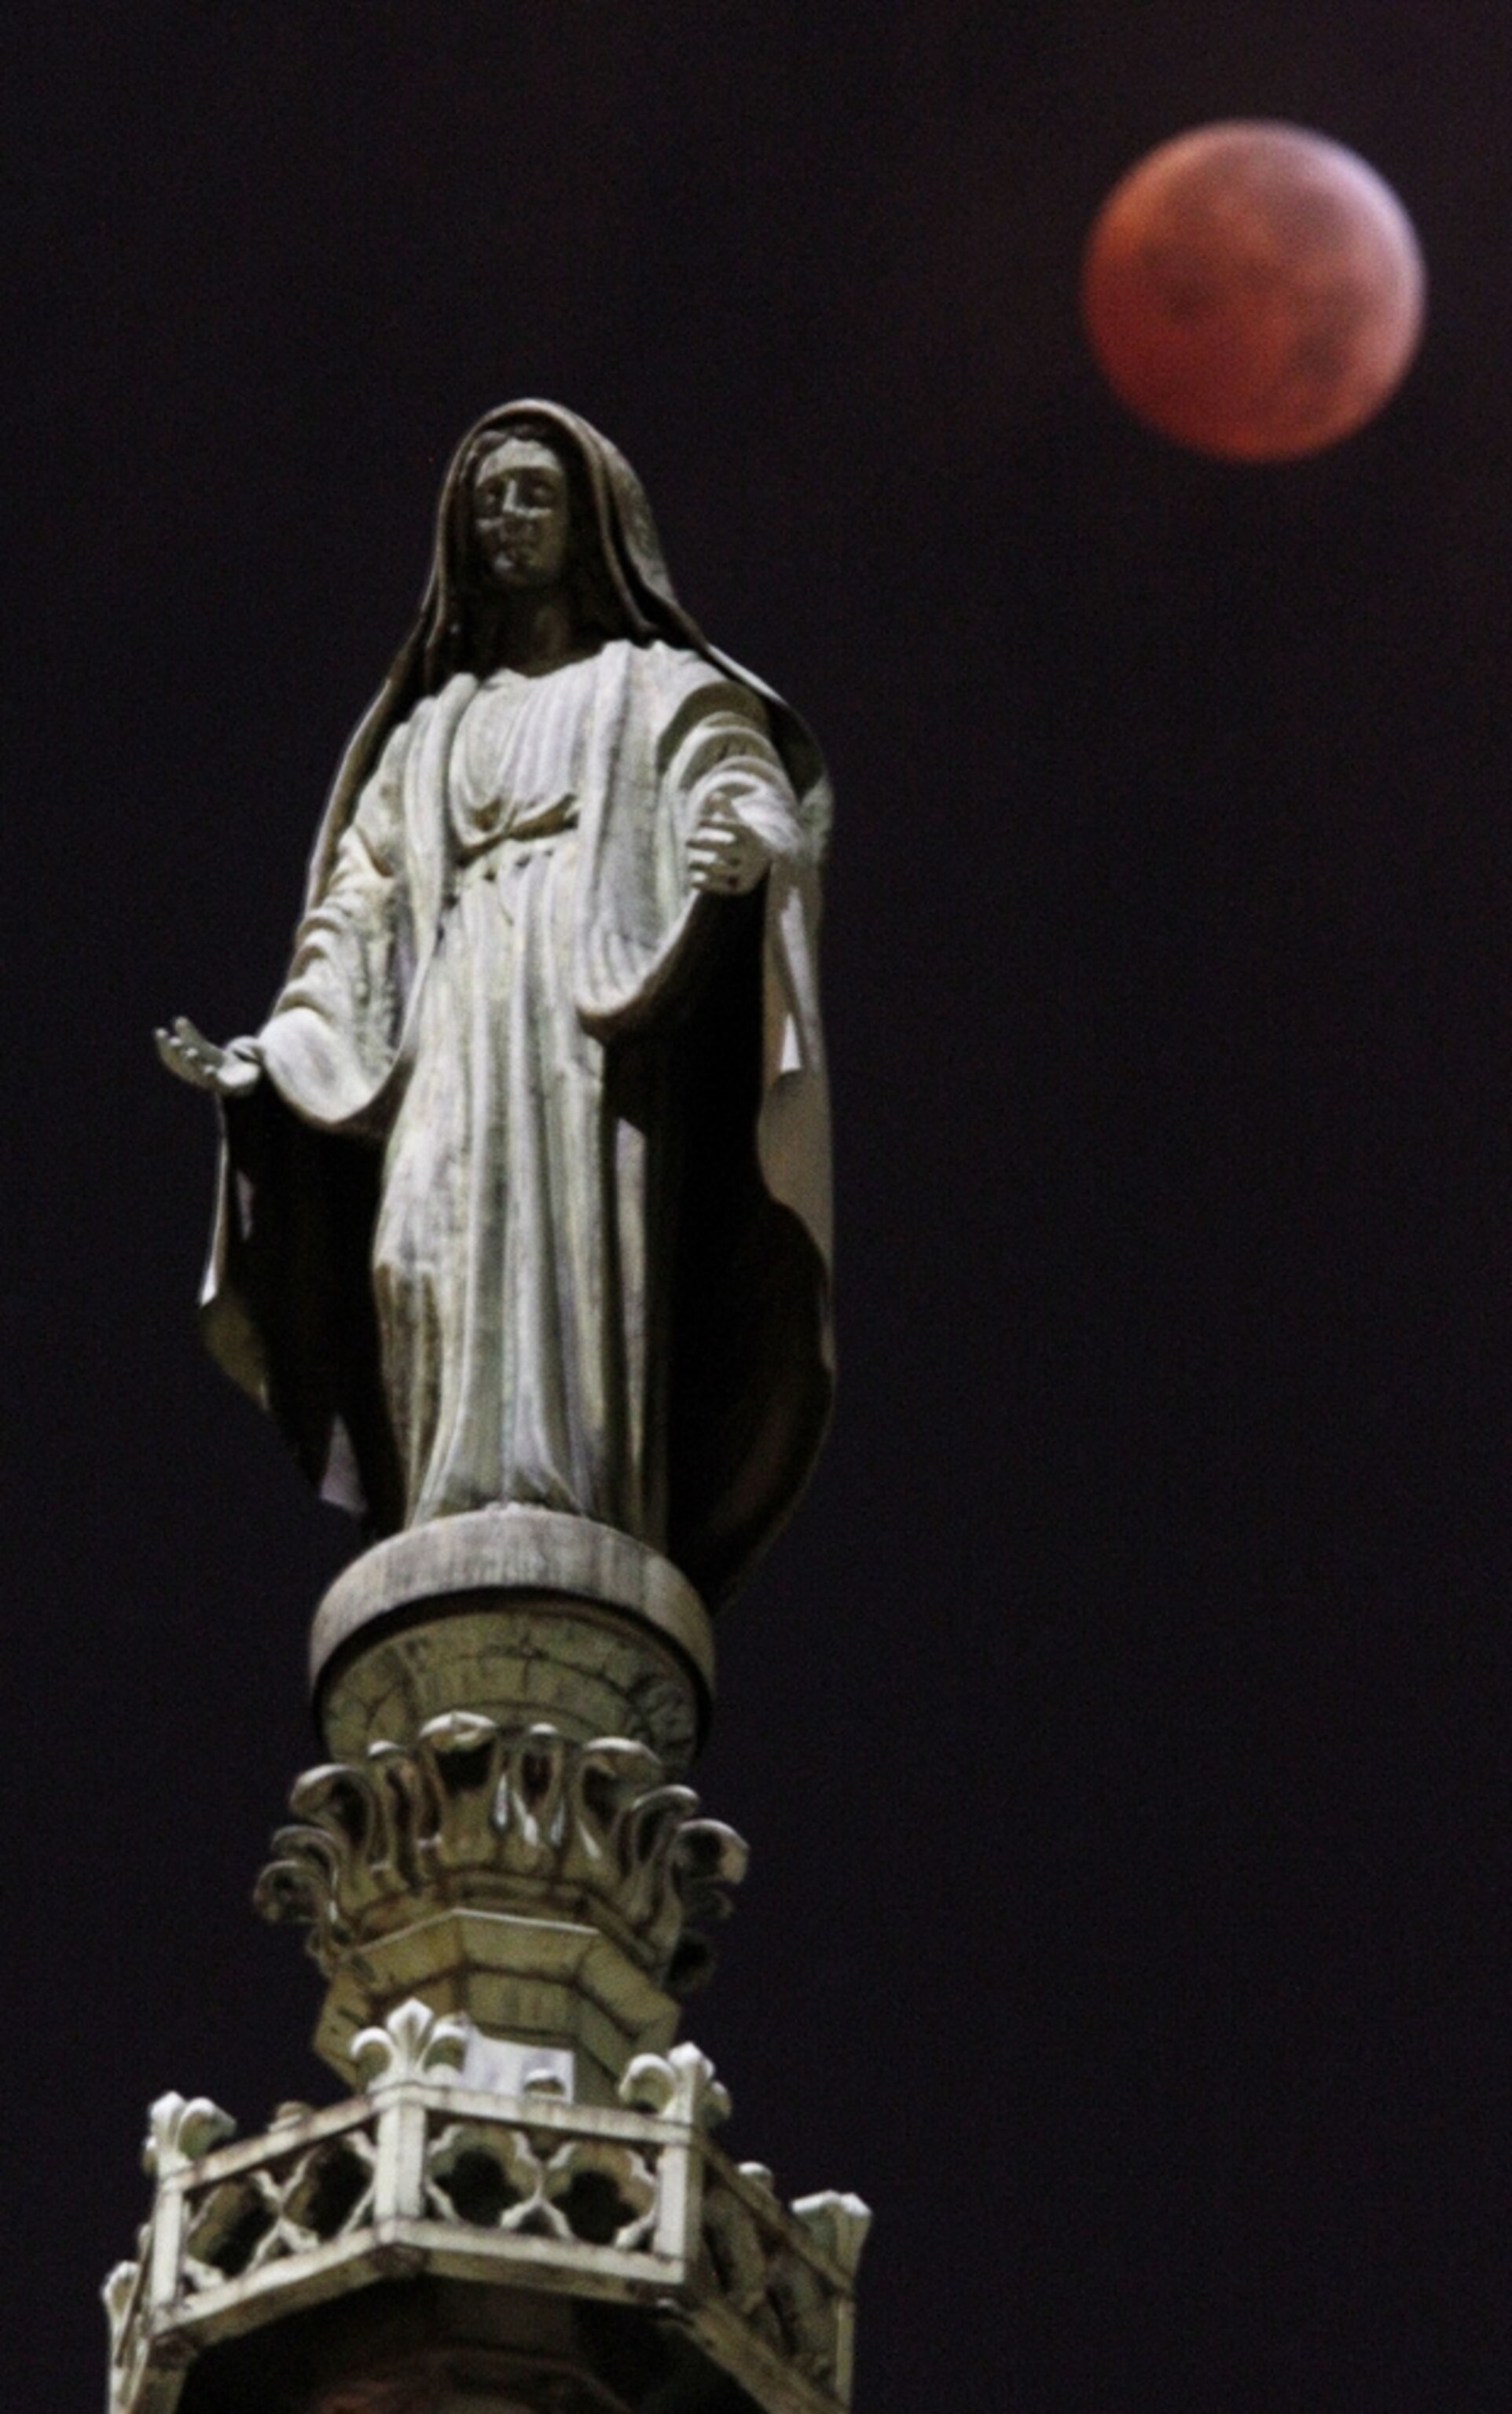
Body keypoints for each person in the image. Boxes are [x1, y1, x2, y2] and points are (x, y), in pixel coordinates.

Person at [158, 402, 833, 1607]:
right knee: (420, 1249)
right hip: (454, 1006)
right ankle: (441, 1506)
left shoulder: (651, 685)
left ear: (589, 526)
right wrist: (283, 1051)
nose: (507, 520)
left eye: (533, 496)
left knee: (573, 1253)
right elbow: (355, 912)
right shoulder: (428, 732)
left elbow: (742, 774)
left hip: (589, 998)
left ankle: (572, 1505)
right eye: (486, 502)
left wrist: (748, 843)